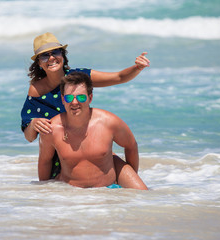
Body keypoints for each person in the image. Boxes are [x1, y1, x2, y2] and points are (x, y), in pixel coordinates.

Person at [21, 32, 150, 181]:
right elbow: (29, 136)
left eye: (55, 52)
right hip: (62, 160)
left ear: (62, 55)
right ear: (39, 63)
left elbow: (118, 77)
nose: (51, 58)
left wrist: (137, 68)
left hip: (89, 148)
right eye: (44, 56)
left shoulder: (79, 77)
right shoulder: (36, 90)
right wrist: (33, 124)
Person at [38, 72, 148, 190]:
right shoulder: (52, 129)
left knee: (143, 194)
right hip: (72, 191)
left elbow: (131, 146)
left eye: (81, 97)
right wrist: (46, 194)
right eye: (69, 97)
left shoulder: (109, 122)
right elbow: (45, 161)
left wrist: (128, 176)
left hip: (108, 187)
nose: (74, 102)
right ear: (63, 100)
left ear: (90, 98)